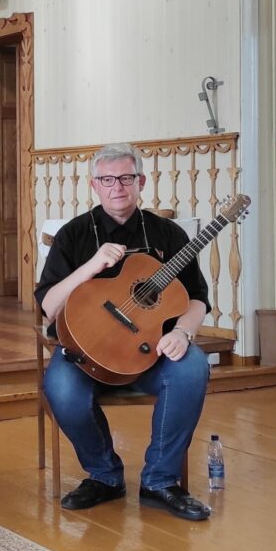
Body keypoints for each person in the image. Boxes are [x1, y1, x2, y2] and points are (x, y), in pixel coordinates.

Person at [35, 143, 213, 521]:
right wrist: (91, 266)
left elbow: (197, 297)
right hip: (85, 353)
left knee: (192, 367)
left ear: (141, 182)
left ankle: (160, 481)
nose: (117, 186)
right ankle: (104, 475)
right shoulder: (74, 234)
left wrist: (183, 333)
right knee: (61, 388)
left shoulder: (167, 234)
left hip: (149, 351)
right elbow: (49, 306)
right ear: (94, 186)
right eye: (107, 179)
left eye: (126, 178)